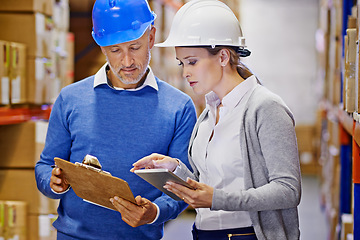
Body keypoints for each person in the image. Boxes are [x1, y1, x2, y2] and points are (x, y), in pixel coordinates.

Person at [131, 0, 302, 239]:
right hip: (204, 233)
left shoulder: (265, 108)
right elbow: (208, 185)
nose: (185, 73)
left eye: (192, 61)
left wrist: (216, 199)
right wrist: (175, 170)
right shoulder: (208, 114)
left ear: (222, 57)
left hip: (248, 235)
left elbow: (288, 190)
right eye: (182, 63)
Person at [35, 0, 197, 239]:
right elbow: (44, 166)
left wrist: (154, 212)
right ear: (102, 47)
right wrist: (52, 181)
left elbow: (185, 183)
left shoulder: (179, 107)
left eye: (135, 47)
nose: (127, 62)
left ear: (151, 37)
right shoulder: (70, 99)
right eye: (115, 50)